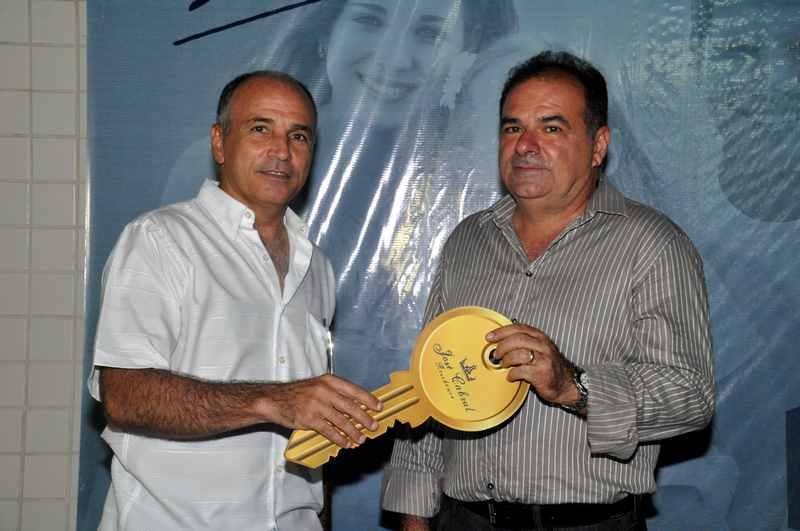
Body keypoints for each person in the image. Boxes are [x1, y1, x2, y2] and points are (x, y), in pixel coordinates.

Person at [381, 51, 715, 530]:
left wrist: (574, 387)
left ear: (598, 145)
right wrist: (413, 518)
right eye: (513, 127)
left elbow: (691, 396)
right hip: (464, 520)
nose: (525, 146)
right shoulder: (466, 242)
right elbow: (434, 386)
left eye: (551, 128)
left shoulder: (653, 245)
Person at [88, 70, 383, 531]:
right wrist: (271, 400)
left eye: (299, 136)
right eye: (260, 128)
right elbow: (124, 396)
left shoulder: (317, 267)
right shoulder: (160, 240)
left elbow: (311, 429)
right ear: (219, 143)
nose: (281, 151)